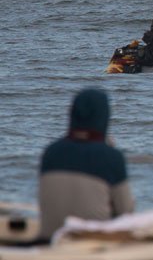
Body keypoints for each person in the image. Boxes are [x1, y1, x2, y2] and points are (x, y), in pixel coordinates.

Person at [38, 88, 134, 241]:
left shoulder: (50, 152)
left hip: (49, 241)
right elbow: (126, 213)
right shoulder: (111, 157)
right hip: (94, 245)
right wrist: (108, 150)